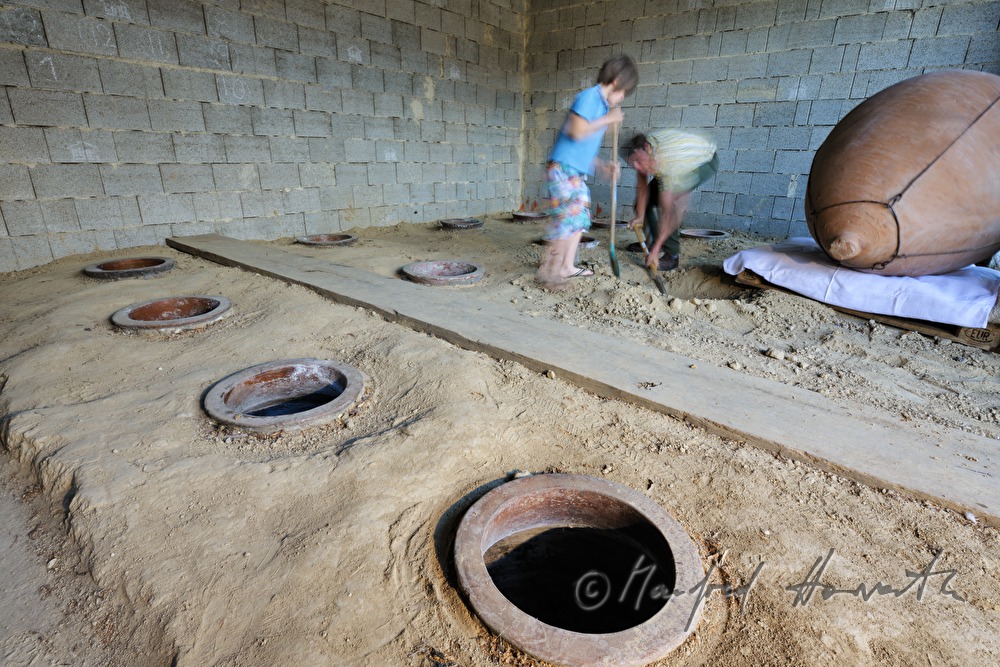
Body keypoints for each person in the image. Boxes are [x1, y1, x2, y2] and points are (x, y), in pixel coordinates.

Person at [536, 55, 638, 288]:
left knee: (579, 216)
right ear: (618, 80)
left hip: (573, 170)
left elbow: (580, 149)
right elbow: (576, 131)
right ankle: (551, 271)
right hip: (562, 170)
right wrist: (606, 120)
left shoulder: (600, 106)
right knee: (567, 218)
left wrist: (602, 165)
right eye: (624, 92)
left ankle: (566, 266)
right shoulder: (590, 97)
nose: (622, 98)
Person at [625, 130, 719, 271]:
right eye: (634, 163)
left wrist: (656, 251)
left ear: (647, 148)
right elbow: (642, 186)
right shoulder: (644, 153)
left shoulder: (669, 168)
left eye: (638, 161)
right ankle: (651, 242)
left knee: (670, 205)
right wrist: (640, 215)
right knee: (643, 203)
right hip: (671, 157)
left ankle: (672, 254)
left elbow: (670, 214)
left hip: (703, 161)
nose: (637, 167)